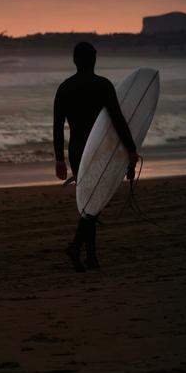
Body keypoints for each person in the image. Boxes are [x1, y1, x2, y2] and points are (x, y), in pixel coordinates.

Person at [53, 41, 139, 272]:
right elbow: (118, 121)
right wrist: (130, 148)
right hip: (99, 149)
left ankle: (90, 256)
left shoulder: (64, 87)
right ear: (94, 59)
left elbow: (58, 126)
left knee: (89, 200)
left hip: (77, 149)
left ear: (74, 60)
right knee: (94, 200)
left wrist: (59, 158)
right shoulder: (103, 86)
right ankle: (77, 248)